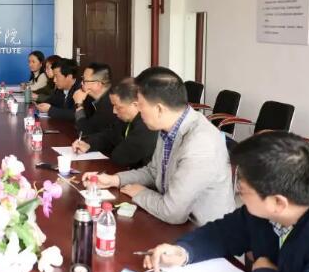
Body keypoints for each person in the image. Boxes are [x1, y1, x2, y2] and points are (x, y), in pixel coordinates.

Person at [145, 132, 309, 272]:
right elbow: (223, 233)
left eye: (242, 191)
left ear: (278, 203)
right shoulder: (274, 204)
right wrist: (183, 251)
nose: (239, 195)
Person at [83, 66, 234, 226]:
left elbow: (173, 212)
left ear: (159, 109)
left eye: (141, 105)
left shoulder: (200, 144)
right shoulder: (168, 126)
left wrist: (141, 193)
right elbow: (154, 171)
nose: (138, 111)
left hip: (203, 232)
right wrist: (114, 180)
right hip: (175, 223)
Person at [72, 77, 157, 169]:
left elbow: (120, 156)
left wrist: (114, 143)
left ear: (135, 105)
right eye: (113, 106)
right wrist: (88, 144)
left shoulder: (147, 126)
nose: (114, 111)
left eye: (118, 107)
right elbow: (107, 136)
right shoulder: (125, 119)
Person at [72, 62, 116, 136]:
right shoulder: (91, 99)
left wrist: (79, 104)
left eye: (84, 80)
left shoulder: (109, 104)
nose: (81, 83)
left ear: (98, 84)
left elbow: (84, 133)